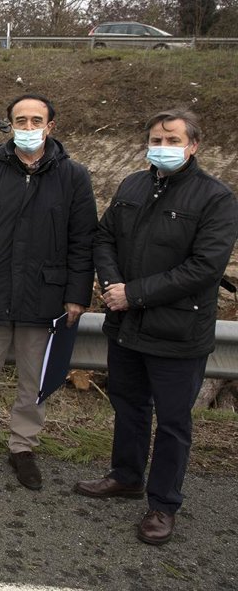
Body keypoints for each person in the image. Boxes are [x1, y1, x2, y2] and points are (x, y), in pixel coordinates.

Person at [76, 110, 238, 545]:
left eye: (172, 140)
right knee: (129, 406)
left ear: (193, 146)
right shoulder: (133, 184)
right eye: (155, 139)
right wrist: (113, 285)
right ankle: (126, 476)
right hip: (126, 324)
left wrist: (134, 293)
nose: (161, 147)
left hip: (178, 331)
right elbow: (104, 237)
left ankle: (163, 504)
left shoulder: (216, 198)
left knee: (172, 422)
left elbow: (205, 267)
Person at [0, 94, 97, 489]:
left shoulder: (74, 177)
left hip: (45, 295)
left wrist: (77, 294)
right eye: (21, 120)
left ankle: (23, 447)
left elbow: (83, 240)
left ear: (50, 126)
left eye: (36, 121)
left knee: (33, 379)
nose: (29, 127)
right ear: (10, 125)